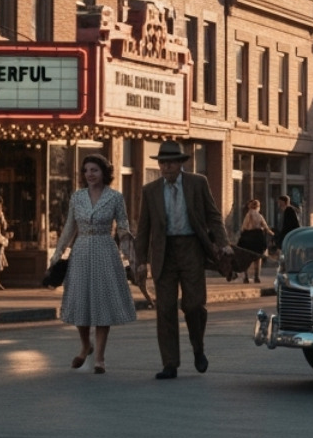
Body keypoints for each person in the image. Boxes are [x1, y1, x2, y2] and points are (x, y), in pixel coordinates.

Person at [134, 141, 227, 379]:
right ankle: (170, 363)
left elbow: (213, 216)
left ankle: (198, 348)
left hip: (191, 249)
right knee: (164, 309)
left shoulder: (198, 183)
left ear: (180, 163)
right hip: (163, 253)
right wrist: (141, 261)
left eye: (170, 163)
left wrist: (224, 244)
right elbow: (143, 228)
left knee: (194, 305)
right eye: (162, 163)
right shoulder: (150, 190)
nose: (166, 167)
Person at [50, 155, 136, 375]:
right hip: (81, 252)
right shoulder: (76, 197)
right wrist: (57, 253)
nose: (90, 174)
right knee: (80, 301)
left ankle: (99, 357)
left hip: (105, 251)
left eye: (95, 170)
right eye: (86, 170)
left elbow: (123, 226)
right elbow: (70, 227)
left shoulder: (115, 197)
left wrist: (130, 254)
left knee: (102, 304)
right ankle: (85, 345)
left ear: (104, 173)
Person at [237, 198, 270, 284]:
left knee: (245, 257)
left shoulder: (249, 214)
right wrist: (270, 232)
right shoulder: (260, 215)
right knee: (258, 257)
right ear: (258, 207)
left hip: (248, 237)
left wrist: (242, 232)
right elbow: (265, 226)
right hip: (258, 237)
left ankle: (246, 277)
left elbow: (244, 226)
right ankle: (256, 277)